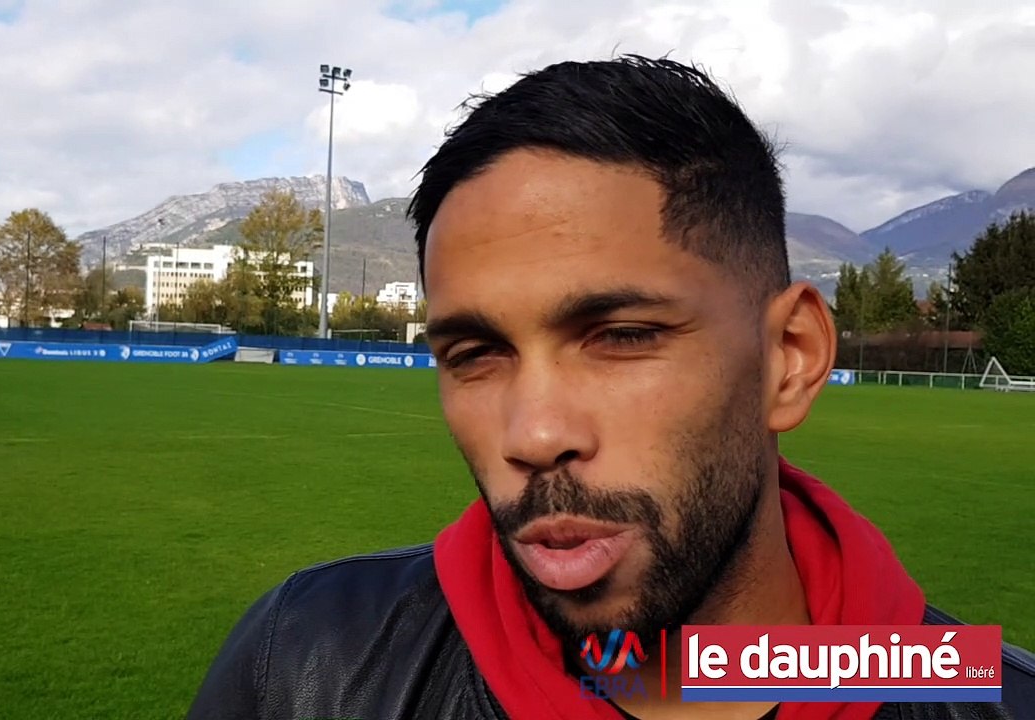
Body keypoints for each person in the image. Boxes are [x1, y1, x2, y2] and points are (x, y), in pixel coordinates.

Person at [186, 55, 1034, 720]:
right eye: (477, 352)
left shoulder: (986, 700)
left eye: (622, 336)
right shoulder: (305, 664)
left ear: (789, 357)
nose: (534, 432)